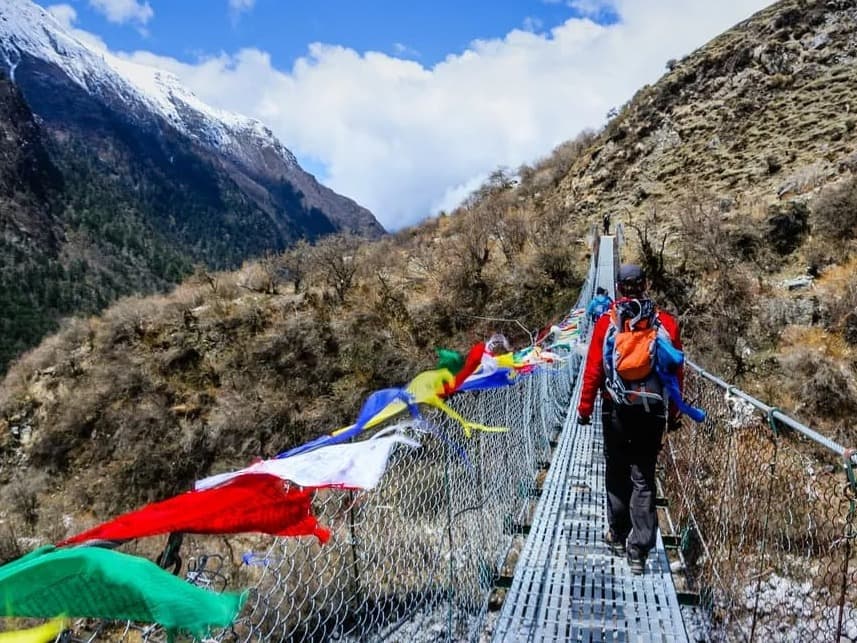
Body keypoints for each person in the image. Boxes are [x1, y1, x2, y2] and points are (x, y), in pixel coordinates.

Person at [576, 264, 682, 575]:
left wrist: (584, 409)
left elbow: (594, 368)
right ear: (645, 284)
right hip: (651, 412)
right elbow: (676, 373)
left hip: (616, 409)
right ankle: (639, 552)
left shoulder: (607, 322)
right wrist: (674, 412)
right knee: (643, 476)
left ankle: (618, 535)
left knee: (618, 470)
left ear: (620, 288)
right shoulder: (666, 323)